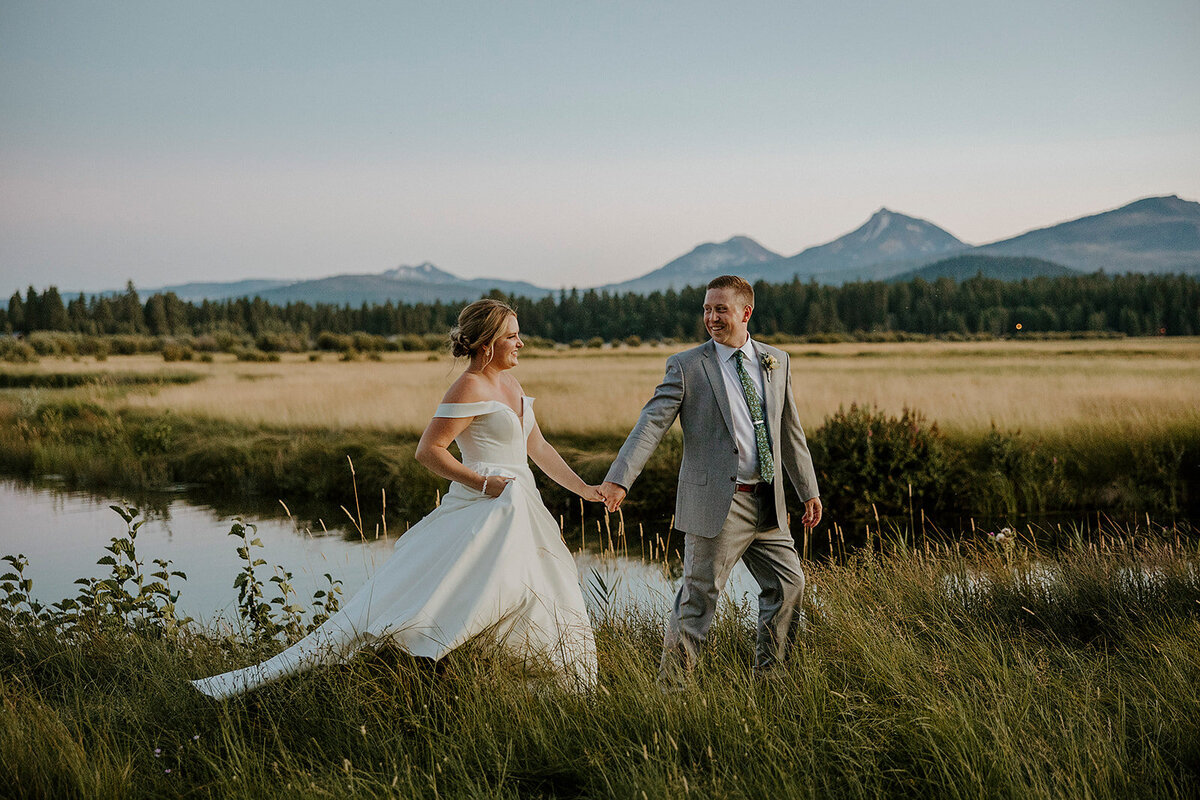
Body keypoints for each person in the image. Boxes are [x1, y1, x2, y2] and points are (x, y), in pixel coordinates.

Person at [191, 299, 601, 699]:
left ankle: (526, 686)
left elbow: (539, 447)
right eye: (512, 335)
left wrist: (585, 489)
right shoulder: (469, 385)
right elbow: (429, 450)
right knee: (464, 595)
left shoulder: (511, 383)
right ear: (487, 343)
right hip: (487, 506)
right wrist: (482, 483)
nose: (521, 342)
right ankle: (416, 669)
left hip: (522, 506)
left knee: (538, 592)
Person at [599, 275, 821, 684]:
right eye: (706, 309)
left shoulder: (777, 360)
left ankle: (772, 681)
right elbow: (651, 424)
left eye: (720, 309)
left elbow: (789, 430)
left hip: (769, 502)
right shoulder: (687, 366)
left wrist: (808, 490)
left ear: (745, 313)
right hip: (718, 502)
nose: (711, 318)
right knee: (698, 601)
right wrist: (619, 480)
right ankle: (672, 692)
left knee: (789, 585)